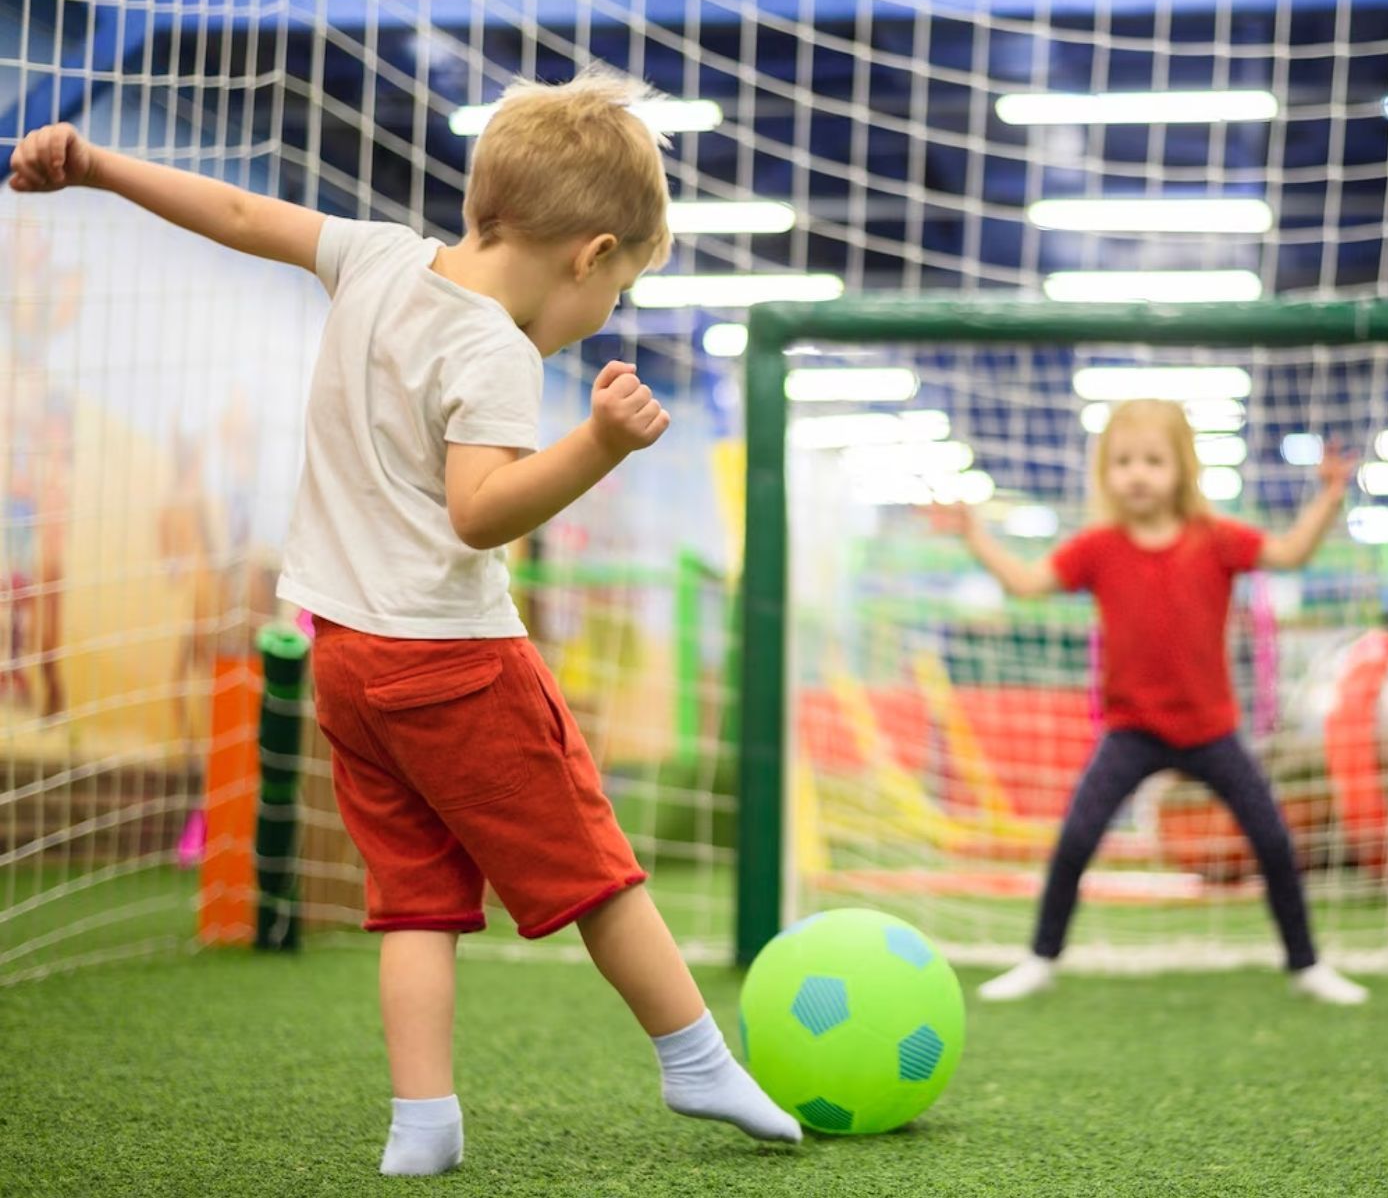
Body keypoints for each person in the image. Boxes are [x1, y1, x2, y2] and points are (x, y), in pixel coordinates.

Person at [8, 70, 803, 1176]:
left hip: (345, 661)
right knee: (596, 870)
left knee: (416, 898)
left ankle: (422, 1122)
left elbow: (241, 216)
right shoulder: (497, 352)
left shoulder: (377, 258)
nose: (596, 321)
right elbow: (479, 514)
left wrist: (96, 166)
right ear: (588, 253)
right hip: (453, 661)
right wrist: (601, 446)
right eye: (613, 292)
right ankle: (695, 1055)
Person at [942, 398, 1370, 1006]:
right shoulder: (1098, 547)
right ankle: (1040, 958)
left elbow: (1290, 554)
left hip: (1210, 731)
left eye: (1152, 460)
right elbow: (1027, 584)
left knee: (1272, 839)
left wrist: (1329, 499)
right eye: (1122, 462)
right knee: (1076, 839)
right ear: (1105, 473)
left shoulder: (1215, 540)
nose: (1137, 473)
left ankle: (1306, 965)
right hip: (1131, 732)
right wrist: (973, 535)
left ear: (1181, 469)